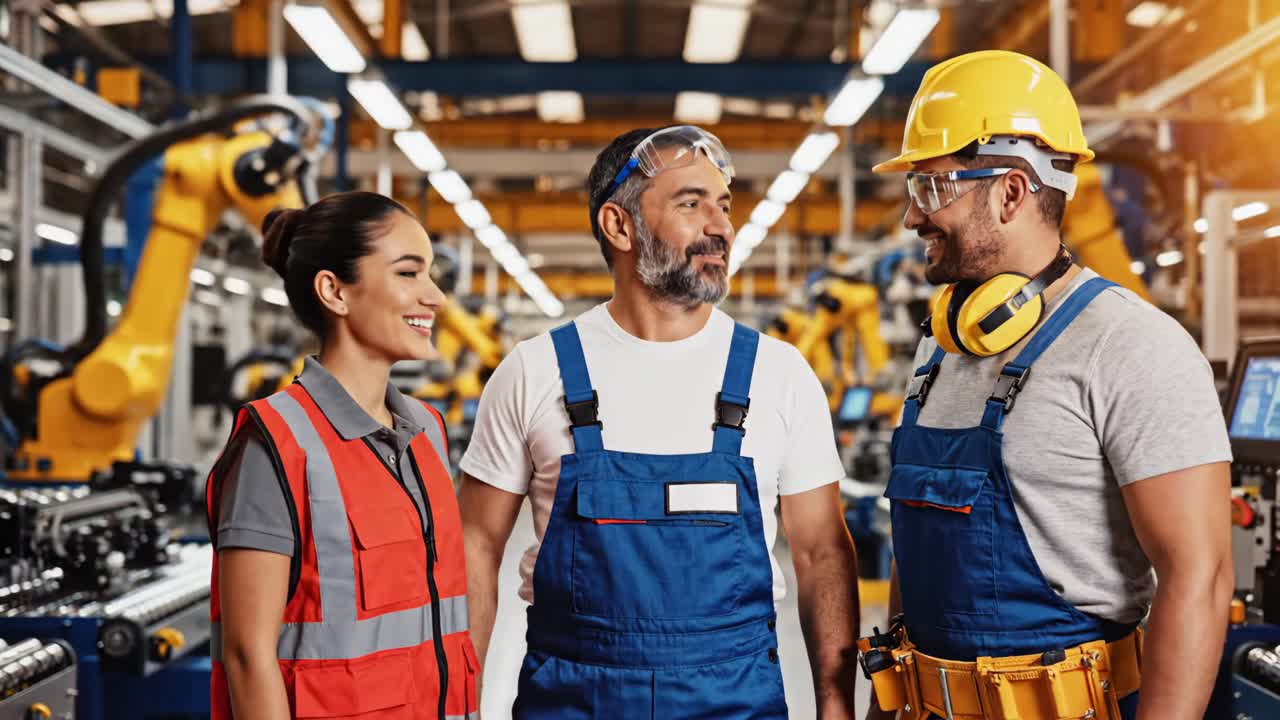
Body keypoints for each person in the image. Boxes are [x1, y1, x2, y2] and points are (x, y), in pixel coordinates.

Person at [863, 50, 1233, 720]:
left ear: (1010, 192)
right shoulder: (940, 346)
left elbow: (1199, 577)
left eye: (932, 188)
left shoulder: (1130, 345)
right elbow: (918, 554)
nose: (913, 218)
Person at [458, 125, 860, 718]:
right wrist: (459, 703)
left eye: (724, 205)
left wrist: (836, 705)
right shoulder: (534, 371)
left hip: (735, 702)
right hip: (573, 701)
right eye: (691, 203)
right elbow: (475, 545)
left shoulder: (779, 374)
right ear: (619, 226)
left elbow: (822, 552)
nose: (721, 227)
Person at [205, 191, 479, 720]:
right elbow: (246, 656)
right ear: (334, 291)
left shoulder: (427, 431)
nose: (435, 297)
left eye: (430, 275)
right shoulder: (275, 444)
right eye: (408, 273)